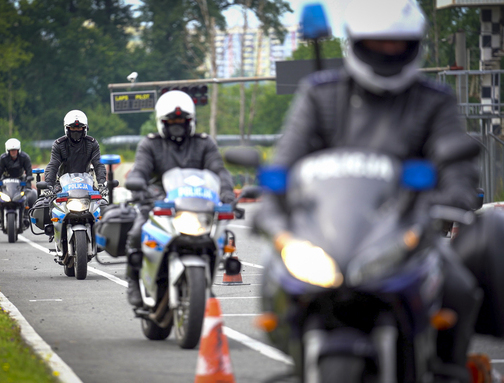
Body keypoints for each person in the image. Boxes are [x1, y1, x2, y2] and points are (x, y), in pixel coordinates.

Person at [257, 1, 482, 382]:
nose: (388, 51)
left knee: (460, 287)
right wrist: (273, 206)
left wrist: (451, 199)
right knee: (276, 279)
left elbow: (457, 166)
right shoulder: (320, 94)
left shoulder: (434, 99)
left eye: (398, 43)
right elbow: (286, 161)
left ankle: (450, 368)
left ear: (415, 44)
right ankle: (297, 359)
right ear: (357, 42)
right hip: (330, 232)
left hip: (406, 230)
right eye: (377, 42)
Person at [124, 90, 236, 306]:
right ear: (161, 122)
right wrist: (141, 191)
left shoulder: (204, 143)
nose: (177, 126)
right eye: (172, 121)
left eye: (182, 121)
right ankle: (133, 282)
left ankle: (205, 284)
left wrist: (227, 194)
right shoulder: (150, 144)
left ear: (190, 121)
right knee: (137, 233)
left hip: (198, 205)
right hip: (159, 202)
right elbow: (139, 172)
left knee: (222, 236)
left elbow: (219, 171)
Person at [44, 110, 107, 196]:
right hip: (63, 186)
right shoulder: (59, 144)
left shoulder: (92, 143)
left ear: (84, 129)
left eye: (79, 128)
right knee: (46, 204)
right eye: (73, 128)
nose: (76, 131)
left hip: (86, 185)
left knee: (103, 204)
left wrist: (102, 184)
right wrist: (48, 185)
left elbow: (98, 164)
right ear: (67, 129)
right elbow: (53, 165)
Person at [0, 138, 37, 218]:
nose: (13, 152)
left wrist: (28, 182)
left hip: (20, 179)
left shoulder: (25, 157)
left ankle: (27, 212)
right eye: (11, 150)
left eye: (15, 150)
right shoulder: (3, 158)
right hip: (5, 180)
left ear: (18, 150)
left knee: (31, 194)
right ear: (8, 151)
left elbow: (28, 171)